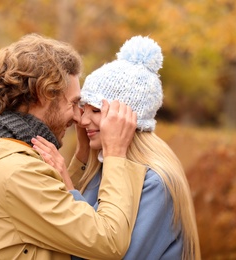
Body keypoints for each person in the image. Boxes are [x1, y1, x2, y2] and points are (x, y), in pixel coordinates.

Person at [0, 33, 147, 260]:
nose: (79, 117)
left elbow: (52, 218)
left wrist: (81, 157)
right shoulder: (18, 173)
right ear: (44, 95)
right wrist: (116, 153)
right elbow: (108, 240)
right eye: (75, 103)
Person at [34, 36, 201, 260]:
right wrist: (80, 160)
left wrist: (65, 179)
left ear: (125, 119)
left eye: (96, 111)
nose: (82, 121)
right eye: (84, 109)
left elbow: (101, 251)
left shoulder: (155, 183)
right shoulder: (102, 168)